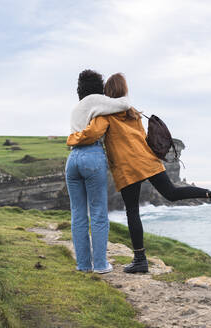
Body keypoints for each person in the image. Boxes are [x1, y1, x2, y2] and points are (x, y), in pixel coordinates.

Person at [67, 73, 211, 274]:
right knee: (172, 192)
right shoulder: (133, 113)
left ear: (107, 93)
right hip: (147, 160)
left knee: (132, 211)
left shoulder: (105, 115)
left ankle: (140, 260)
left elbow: (92, 133)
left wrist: (72, 138)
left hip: (128, 167)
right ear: (124, 91)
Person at [65, 69, 132, 274]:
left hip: (73, 159)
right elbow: (124, 104)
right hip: (92, 156)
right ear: (98, 87)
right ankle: (101, 265)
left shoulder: (76, 108)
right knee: (98, 213)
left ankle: (83, 265)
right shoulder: (95, 100)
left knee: (78, 214)